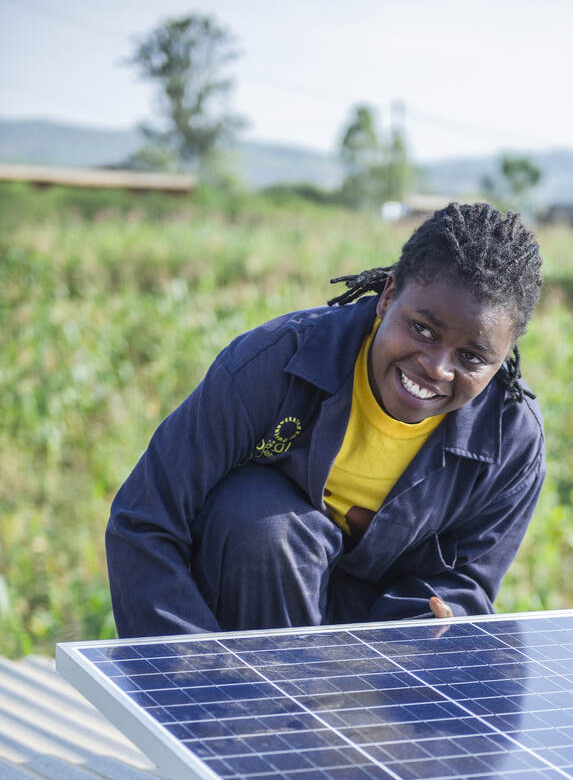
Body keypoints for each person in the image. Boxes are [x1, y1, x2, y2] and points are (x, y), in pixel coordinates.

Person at [106, 201, 545, 637]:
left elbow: (469, 582)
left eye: (471, 357)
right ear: (388, 296)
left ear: (502, 358)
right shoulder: (272, 365)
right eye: (423, 330)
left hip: (380, 657)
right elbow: (145, 518)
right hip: (253, 609)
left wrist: (407, 643)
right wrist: (191, 669)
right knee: (257, 518)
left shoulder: (512, 440)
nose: (437, 367)